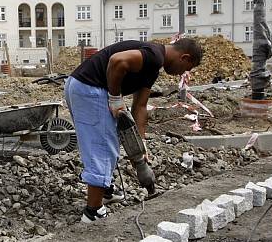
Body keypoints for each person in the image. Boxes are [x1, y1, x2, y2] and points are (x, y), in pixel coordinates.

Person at [65, 38, 203, 223]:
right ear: (185, 57)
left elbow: (140, 106)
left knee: (104, 140)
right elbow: (117, 61)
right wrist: (115, 97)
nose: (182, 73)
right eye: (186, 68)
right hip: (91, 89)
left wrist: (141, 142)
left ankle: (104, 192)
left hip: (81, 85)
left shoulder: (153, 66)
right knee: (102, 147)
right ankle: (93, 211)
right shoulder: (154, 56)